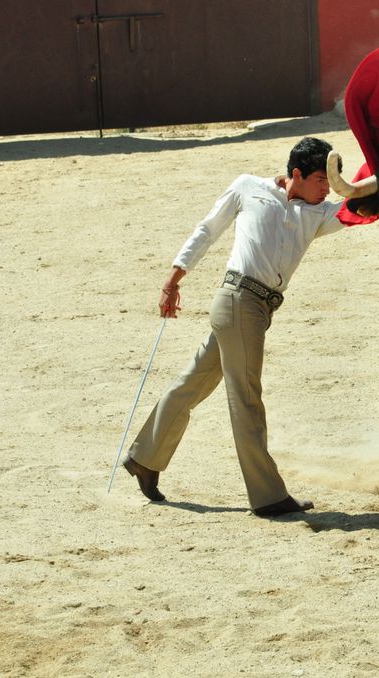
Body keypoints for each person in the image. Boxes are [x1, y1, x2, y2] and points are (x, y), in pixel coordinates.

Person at [122, 137, 345, 517]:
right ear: (296, 174)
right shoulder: (249, 187)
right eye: (322, 180)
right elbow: (208, 229)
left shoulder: (319, 213)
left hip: (256, 309)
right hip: (238, 300)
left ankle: (144, 457)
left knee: (193, 382)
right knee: (245, 399)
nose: (328, 188)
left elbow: (361, 207)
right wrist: (173, 280)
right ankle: (268, 496)